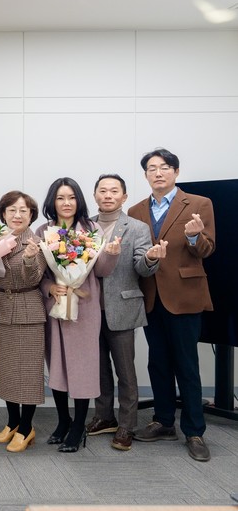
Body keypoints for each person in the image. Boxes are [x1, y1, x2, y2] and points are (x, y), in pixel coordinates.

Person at [127, 148, 215, 462]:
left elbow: (207, 250)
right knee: (158, 362)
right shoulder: (136, 210)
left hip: (184, 295)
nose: (158, 173)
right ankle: (164, 422)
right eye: (152, 168)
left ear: (176, 172)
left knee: (187, 366)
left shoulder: (199, 204)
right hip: (150, 296)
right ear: (146, 175)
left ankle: (194, 431)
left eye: (165, 167)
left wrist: (193, 237)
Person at [35, 177, 120, 453]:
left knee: (83, 368)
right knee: (57, 365)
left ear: (79, 200)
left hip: (84, 308)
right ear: (52, 201)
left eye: (71, 197)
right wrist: (50, 288)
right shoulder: (43, 231)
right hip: (55, 307)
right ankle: (63, 421)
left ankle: (78, 427)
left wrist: (111, 254)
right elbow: (39, 275)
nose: (66, 203)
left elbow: (101, 270)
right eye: (61, 197)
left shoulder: (92, 229)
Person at [86, 174, 165, 451]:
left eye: (114, 191)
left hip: (122, 307)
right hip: (89, 310)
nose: (108, 195)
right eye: (102, 191)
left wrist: (151, 258)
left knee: (125, 372)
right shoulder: (85, 226)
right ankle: (104, 416)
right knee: (99, 369)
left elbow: (142, 268)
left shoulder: (137, 227)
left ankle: (126, 425)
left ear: (124, 196)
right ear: (95, 195)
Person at [0, 191, 46, 453]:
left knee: (27, 374)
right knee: (8, 371)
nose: (17, 215)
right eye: (12, 210)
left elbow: (34, 279)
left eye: (23, 210)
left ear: (31, 215)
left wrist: (30, 257)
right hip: (2, 310)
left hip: (29, 311)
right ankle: (12, 422)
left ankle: (26, 428)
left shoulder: (37, 242)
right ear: (3, 214)